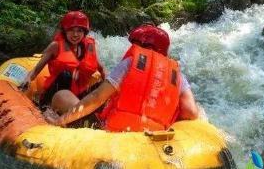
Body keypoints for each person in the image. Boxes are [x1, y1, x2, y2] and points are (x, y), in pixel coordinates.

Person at [44, 24, 200, 131]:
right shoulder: (177, 75)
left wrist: (61, 120)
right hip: (153, 136)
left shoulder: (131, 62)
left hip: (111, 131)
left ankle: (56, 118)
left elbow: (97, 97)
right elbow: (190, 112)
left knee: (61, 95)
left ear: (140, 46)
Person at [23, 10, 105, 106]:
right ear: (65, 31)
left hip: (79, 95)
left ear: (84, 33)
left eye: (79, 31)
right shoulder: (55, 46)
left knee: (100, 87)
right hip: (56, 96)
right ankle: (63, 111)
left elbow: (101, 69)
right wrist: (27, 79)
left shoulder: (88, 47)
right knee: (65, 75)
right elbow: (34, 72)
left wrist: (106, 85)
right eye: (71, 30)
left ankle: (84, 111)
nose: (75, 35)